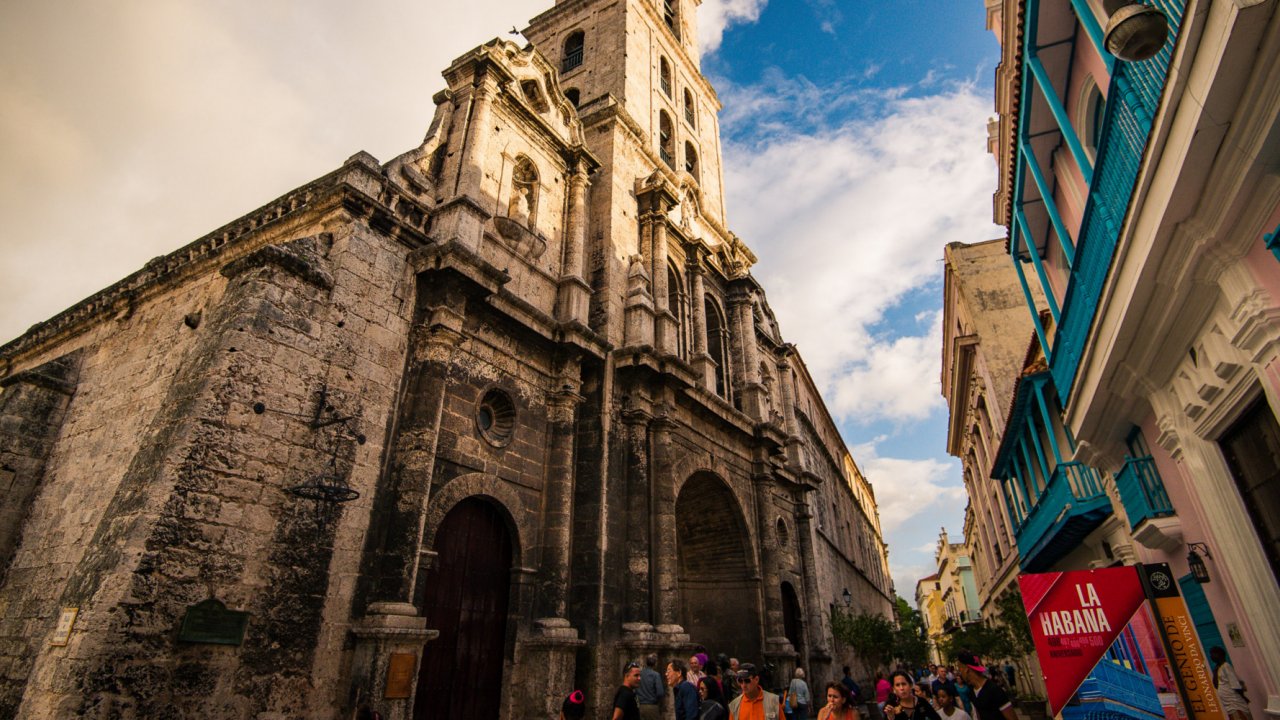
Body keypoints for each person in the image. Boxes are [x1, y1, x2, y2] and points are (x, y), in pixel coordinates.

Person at [955, 652, 1016, 720]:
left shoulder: (994, 690)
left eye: (959, 669)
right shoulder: (972, 691)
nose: (959, 672)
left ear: (966, 669)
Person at [1210, 646, 1251, 720]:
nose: (1212, 657)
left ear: (1220, 655)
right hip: (1228, 704)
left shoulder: (1226, 666)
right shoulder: (1218, 668)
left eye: (1213, 654)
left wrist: (1243, 697)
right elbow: (1216, 685)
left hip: (1235, 703)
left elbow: (1236, 686)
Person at [638, 654, 666, 720]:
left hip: (639, 707)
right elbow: (660, 693)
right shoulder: (656, 675)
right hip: (652, 706)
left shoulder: (639, 674)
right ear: (655, 663)